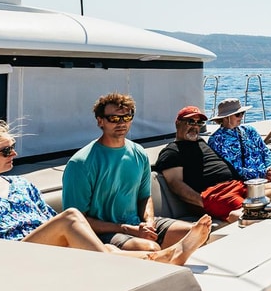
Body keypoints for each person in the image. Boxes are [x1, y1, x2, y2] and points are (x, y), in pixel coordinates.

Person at [0, 118, 210, 264]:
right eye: (6, 150)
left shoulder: (20, 186)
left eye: (13, 148)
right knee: (72, 217)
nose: (14, 155)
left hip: (45, 252)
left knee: (114, 250)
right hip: (11, 256)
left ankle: (152, 261)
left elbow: (49, 221)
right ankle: (153, 263)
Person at [63, 93, 206, 253]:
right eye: (114, 119)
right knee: (150, 249)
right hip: (103, 234)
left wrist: (149, 222)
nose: (122, 123)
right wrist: (127, 229)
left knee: (196, 235)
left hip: (138, 225)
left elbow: (145, 197)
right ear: (100, 121)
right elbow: (76, 222)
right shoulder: (81, 163)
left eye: (127, 117)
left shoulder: (139, 153)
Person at [155, 105, 265, 223]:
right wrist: (204, 202)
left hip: (237, 185)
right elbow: (175, 184)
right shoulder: (171, 152)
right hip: (218, 194)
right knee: (253, 212)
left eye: (199, 123)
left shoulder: (200, 142)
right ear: (178, 123)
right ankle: (239, 217)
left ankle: (242, 215)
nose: (195, 126)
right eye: (191, 122)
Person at [206, 98, 271, 207]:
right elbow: (232, 169)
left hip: (264, 174)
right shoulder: (217, 140)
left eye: (242, 113)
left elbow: (265, 151)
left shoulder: (249, 130)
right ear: (226, 118)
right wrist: (262, 173)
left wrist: (270, 169)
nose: (241, 117)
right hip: (243, 181)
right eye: (238, 114)